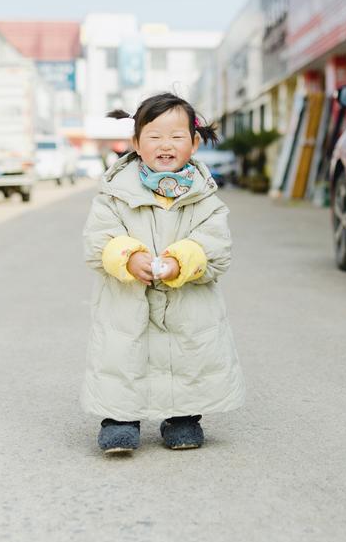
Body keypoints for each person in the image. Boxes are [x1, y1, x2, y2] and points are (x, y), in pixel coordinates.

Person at [81, 92, 244, 453]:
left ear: (194, 143)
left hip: (187, 297)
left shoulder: (205, 197)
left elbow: (215, 244)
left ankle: (183, 416)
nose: (165, 145)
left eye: (176, 136)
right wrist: (127, 256)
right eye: (154, 136)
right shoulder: (114, 193)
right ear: (137, 144)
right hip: (127, 297)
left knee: (186, 353)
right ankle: (120, 418)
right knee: (123, 354)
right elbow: (98, 238)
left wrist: (182, 260)